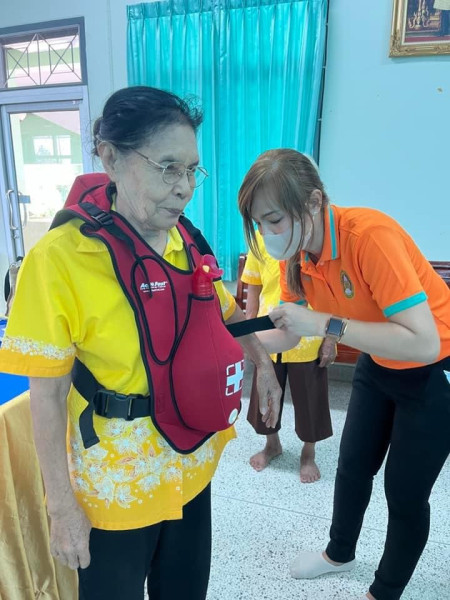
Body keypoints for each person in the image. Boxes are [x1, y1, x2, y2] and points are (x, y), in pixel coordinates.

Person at [0, 86, 281, 600]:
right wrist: (60, 508)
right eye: (167, 168)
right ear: (110, 158)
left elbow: (224, 312)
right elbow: (47, 394)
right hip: (115, 486)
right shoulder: (58, 260)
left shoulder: (185, 238)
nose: (185, 188)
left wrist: (262, 361)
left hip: (190, 463)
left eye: (192, 170)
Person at [238, 148, 450, 600]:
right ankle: (339, 554)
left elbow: (424, 343)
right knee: (352, 467)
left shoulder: (369, 237)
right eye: (259, 224)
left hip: (434, 371)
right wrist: (232, 347)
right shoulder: (296, 254)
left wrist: (325, 324)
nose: (269, 235)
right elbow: (288, 333)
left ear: (313, 201)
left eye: (274, 219)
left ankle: (384, 591)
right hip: (379, 363)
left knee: (405, 493)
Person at [241, 231, 334, 482]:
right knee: (265, 395)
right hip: (268, 335)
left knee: (311, 400)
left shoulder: (313, 239)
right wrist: (248, 335)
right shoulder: (259, 238)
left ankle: (308, 453)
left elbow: (333, 296)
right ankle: (272, 445)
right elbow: (253, 288)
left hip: (309, 336)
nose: (266, 226)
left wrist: (331, 339)